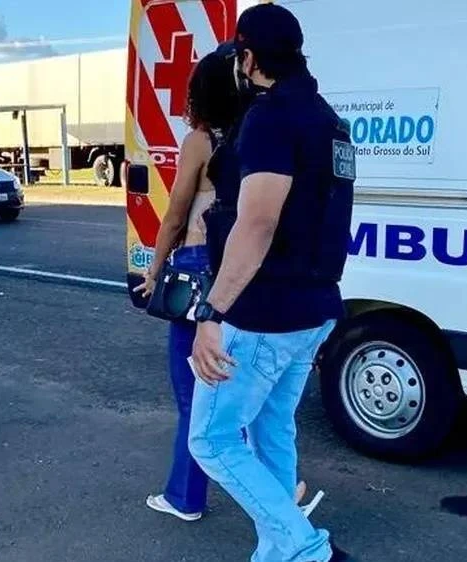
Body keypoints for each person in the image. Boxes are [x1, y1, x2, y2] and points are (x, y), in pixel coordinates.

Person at [186, 5, 357, 562]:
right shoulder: (329, 120)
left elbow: (257, 223)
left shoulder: (270, 117)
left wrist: (212, 313)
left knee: (211, 439)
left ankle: (308, 549)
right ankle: (280, 554)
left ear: (250, 57)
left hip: (265, 310)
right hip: (314, 305)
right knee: (271, 428)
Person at [132, 49, 241, 522]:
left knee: (192, 392)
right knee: (238, 389)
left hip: (198, 266)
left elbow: (176, 214)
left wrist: (155, 269)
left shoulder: (203, 140)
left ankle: (185, 497)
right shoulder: (255, 134)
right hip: (242, 269)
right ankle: (273, 487)